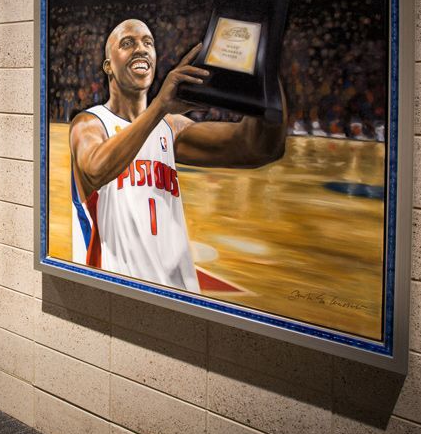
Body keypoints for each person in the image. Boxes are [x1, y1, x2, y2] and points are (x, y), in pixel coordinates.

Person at [69, 19, 286, 292]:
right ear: (108, 66)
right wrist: (160, 106)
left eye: (148, 43)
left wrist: (263, 62)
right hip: (114, 291)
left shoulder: (171, 128)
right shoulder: (89, 123)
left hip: (177, 292)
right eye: (128, 43)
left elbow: (259, 147)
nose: (141, 49)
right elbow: (95, 169)